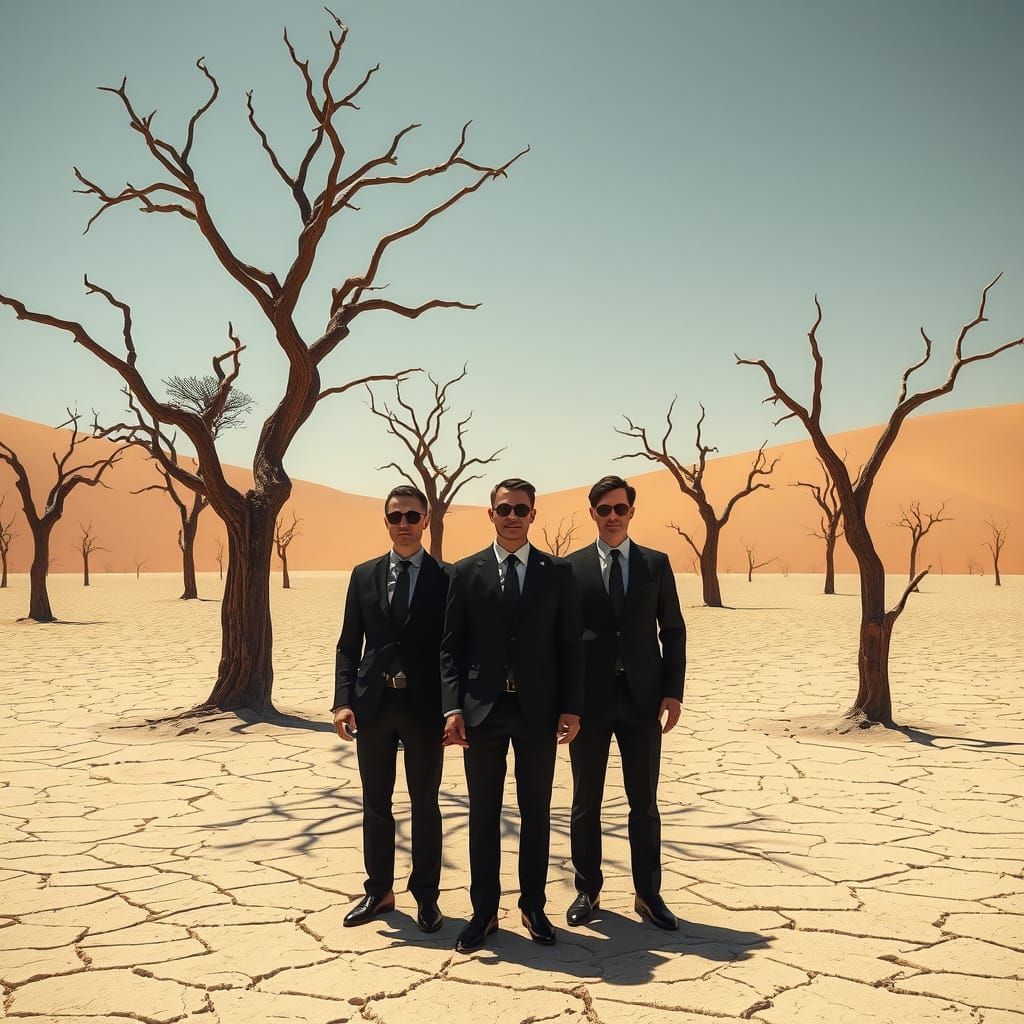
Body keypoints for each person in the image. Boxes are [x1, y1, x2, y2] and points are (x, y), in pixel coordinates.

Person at [441, 477, 584, 953]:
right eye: (504, 509)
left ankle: (533, 906)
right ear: (491, 514)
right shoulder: (466, 572)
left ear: (533, 514)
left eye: (521, 509)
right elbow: (451, 648)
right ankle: (483, 913)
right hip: (482, 712)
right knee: (483, 814)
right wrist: (452, 707)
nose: (512, 516)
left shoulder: (557, 573)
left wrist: (571, 706)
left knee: (536, 813)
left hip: (538, 712)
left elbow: (570, 646)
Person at [565, 475, 686, 931]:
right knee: (585, 801)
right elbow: (562, 640)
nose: (612, 516)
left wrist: (673, 691)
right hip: (588, 704)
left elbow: (672, 631)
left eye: (620, 508)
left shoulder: (656, 564)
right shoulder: (570, 567)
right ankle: (587, 890)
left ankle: (649, 894)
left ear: (631, 512)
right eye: (603, 509)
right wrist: (565, 703)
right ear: (592, 513)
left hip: (643, 701)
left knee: (644, 802)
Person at [333, 484, 450, 932]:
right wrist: (343, 700)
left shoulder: (446, 577)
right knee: (376, 802)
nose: (404, 524)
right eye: (396, 517)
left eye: (412, 517)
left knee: (425, 803)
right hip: (374, 705)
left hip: (425, 707)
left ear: (425, 522)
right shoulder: (363, 575)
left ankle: (426, 898)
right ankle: (379, 890)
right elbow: (349, 644)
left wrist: (452, 708)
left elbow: (452, 648)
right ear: (386, 522)